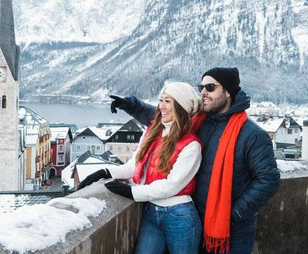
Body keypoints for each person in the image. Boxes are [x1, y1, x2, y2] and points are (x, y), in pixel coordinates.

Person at [109, 68, 280, 254]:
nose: (203, 92)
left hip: (231, 230)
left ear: (228, 92)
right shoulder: (200, 121)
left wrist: (234, 214)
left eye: (210, 87)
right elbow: (167, 116)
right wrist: (132, 106)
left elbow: (268, 180)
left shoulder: (252, 134)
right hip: (197, 218)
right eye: (201, 87)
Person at [78, 82, 203, 254]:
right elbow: (136, 165)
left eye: (168, 101)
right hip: (151, 211)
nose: (161, 106)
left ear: (181, 108)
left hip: (179, 216)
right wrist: (108, 172)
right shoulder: (153, 131)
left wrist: (131, 192)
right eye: (161, 100)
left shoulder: (191, 145)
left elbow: (171, 185)